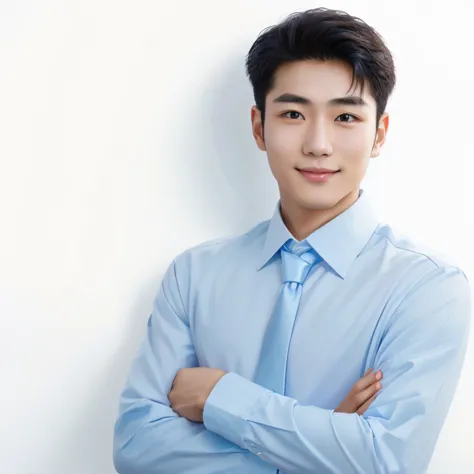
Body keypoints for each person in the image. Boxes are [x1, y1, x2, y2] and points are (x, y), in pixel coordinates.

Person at [113, 7, 471, 474]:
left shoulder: (428, 289)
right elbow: (137, 446)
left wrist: (221, 397)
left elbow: (386, 461)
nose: (318, 143)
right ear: (259, 127)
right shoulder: (195, 276)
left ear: (378, 133)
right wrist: (321, 443)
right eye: (294, 113)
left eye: (345, 116)